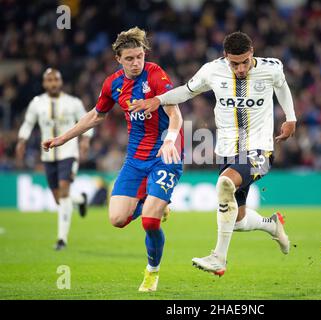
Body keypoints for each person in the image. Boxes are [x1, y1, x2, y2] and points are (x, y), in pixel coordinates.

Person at [129, 31, 297, 276]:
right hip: (228, 151)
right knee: (237, 220)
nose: (240, 68)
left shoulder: (271, 69)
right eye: (234, 63)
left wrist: (290, 118)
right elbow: (186, 91)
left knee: (225, 183)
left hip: (260, 147)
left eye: (245, 62)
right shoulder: (212, 71)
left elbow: (282, 87)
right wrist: (158, 99)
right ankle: (271, 225)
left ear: (252, 54)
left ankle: (219, 258)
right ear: (225, 57)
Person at [42, 27, 183, 292]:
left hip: (165, 154)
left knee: (149, 222)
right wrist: (62, 138)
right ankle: (156, 204)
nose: (136, 62)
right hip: (135, 158)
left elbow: (176, 114)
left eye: (139, 56)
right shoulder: (112, 84)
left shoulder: (155, 75)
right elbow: (95, 115)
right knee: (117, 219)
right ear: (118, 59)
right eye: (129, 58)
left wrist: (169, 140)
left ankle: (152, 272)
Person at [16, 68, 92, 251]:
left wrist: (85, 140)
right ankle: (80, 200)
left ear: (61, 82)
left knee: (64, 190)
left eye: (55, 80)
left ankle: (61, 239)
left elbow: (88, 121)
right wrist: (21, 141)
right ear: (44, 83)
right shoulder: (37, 103)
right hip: (48, 155)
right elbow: (28, 123)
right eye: (49, 80)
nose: (53, 83)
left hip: (69, 153)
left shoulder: (73, 103)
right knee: (59, 198)